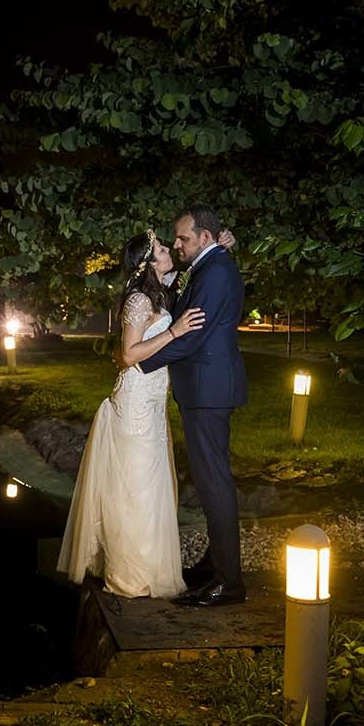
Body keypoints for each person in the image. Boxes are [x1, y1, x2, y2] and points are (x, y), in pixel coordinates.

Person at [56, 231, 206, 598]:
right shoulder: (139, 300)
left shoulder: (158, 291)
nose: (168, 249)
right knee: (135, 492)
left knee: (152, 490)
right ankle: (128, 579)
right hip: (135, 404)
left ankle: (152, 573)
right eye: (159, 249)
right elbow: (127, 355)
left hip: (152, 406)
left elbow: (184, 275)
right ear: (147, 264)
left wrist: (221, 246)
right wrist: (174, 332)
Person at [138, 206, 249, 607]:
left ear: (205, 237)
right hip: (204, 388)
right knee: (210, 484)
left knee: (215, 485)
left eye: (183, 238)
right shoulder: (209, 265)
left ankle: (228, 583)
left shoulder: (216, 270)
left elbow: (194, 334)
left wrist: (140, 363)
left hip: (208, 390)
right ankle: (216, 567)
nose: (178, 244)